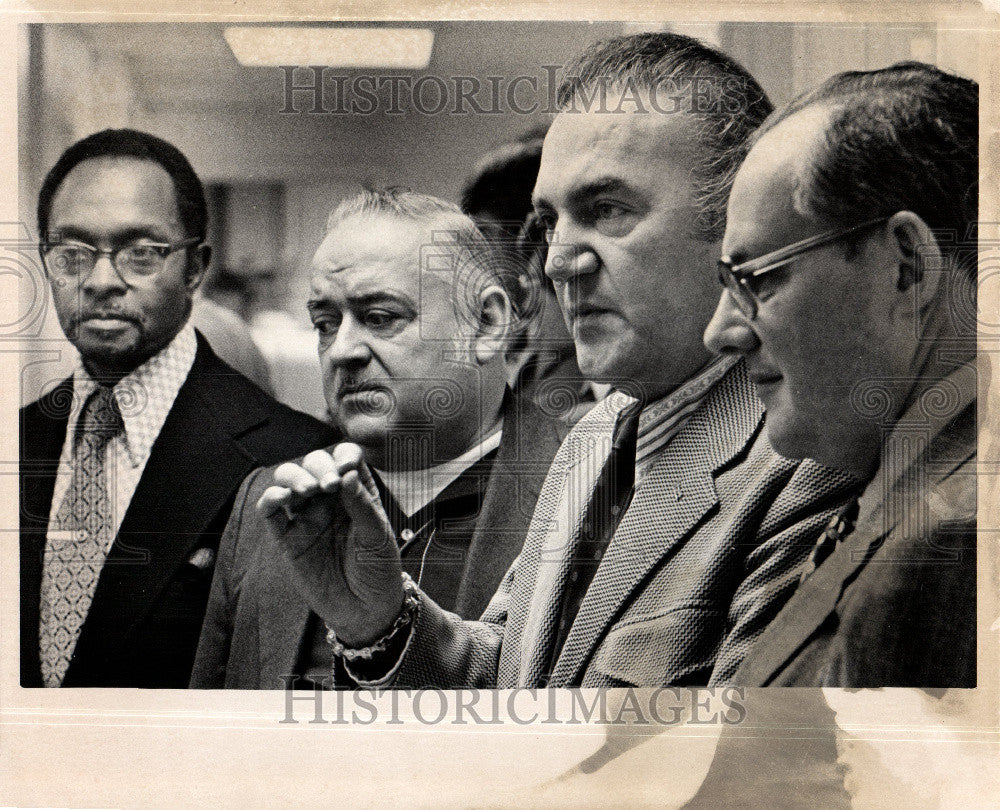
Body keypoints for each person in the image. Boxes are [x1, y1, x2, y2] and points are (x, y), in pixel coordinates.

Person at [250, 32, 862, 689]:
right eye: (549, 222)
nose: (557, 262)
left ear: (741, 216)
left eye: (607, 210)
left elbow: (738, 772)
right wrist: (380, 623)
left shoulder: (807, 463)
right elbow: (518, 677)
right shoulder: (594, 439)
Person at [190, 190, 567, 689]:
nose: (342, 350)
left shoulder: (587, 488)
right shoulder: (269, 501)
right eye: (325, 324)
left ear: (486, 324)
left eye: (380, 317)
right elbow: (210, 730)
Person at [19, 128, 335, 688]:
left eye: (141, 254)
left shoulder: (293, 458)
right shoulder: (18, 440)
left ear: (195, 269)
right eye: (72, 253)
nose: (99, 281)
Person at [704, 62, 978, 687]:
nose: (720, 333)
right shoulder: (918, 492)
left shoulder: (950, 545)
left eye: (756, 279)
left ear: (905, 265)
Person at [460, 129, 596, 423]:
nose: (470, 256)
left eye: (484, 235)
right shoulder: (519, 347)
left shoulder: (586, 351)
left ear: (531, 232)